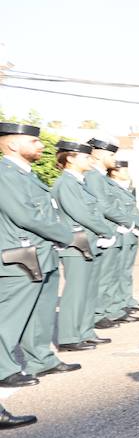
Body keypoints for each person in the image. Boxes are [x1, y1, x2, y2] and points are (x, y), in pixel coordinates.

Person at [0, 122, 80, 387]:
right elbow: (26, 216)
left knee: (40, 314)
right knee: (10, 317)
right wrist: (66, 236)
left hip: (41, 252)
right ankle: (3, 369)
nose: (41, 145)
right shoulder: (5, 174)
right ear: (13, 144)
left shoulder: (26, 174)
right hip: (20, 254)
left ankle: (41, 359)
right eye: (34, 141)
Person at [52, 140, 114, 352]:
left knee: (88, 291)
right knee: (76, 292)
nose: (91, 160)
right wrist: (106, 231)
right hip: (76, 245)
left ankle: (85, 332)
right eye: (86, 157)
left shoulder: (79, 183)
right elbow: (81, 214)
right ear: (70, 158)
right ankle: (69, 337)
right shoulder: (66, 183)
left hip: (89, 243)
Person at [84, 138, 138, 330]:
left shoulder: (100, 177)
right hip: (105, 233)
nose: (114, 159)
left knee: (112, 275)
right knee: (103, 278)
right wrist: (128, 222)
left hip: (112, 232)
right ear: (98, 155)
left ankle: (111, 310)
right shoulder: (93, 177)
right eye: (111, 154)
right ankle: (100, 314)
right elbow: (104, 206)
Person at [107, 161, 139, 315]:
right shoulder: (110, 187)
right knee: (118, 271)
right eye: (124, 170)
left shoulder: (127, 188)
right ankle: (119, 303)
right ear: (114, 172)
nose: (127, 173)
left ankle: (127, 300)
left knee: (126, 271)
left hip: (131, 233)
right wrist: (131, 225)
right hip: (122, 232)